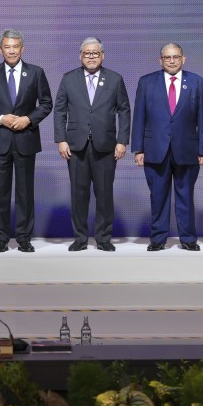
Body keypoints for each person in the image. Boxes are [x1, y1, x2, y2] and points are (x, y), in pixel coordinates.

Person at [0, 29, 53, 252]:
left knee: (25, 192)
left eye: (15, 47)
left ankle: (23, 238)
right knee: (0, 193)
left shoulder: (36, 72)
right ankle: (1, 239)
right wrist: (1, 118)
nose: (11, 51)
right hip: (0, 140)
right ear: (0, 49)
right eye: (7, 47)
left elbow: (46, 103)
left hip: (26, 140)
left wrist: (28, 119)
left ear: (22, 48)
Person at [53, 37, 131, 252]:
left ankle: (103, 238)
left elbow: (124, 111)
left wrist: (122, 141)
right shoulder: (68, 79)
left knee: (104, 194)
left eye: (95, 53)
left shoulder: (115, 79)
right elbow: (59, 111)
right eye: (87, 53)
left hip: (106, 146)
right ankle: (80, 238)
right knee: (79, 195)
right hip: (76, 146)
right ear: (80, 56)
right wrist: (61, 139)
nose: (91, 57)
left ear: (102, 56)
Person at [131, 43, 203, 251]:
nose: (172, 61)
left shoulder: (197, 82)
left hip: (187, 151)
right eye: (167, 57)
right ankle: (158, 239)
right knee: (158, 197)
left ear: (183, 59)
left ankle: (188, 239)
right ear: (160, 60)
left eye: (176, 57)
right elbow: (139, 117)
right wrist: (138, 149)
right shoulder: (146, 82)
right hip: (155, 149)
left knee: (185, 196)